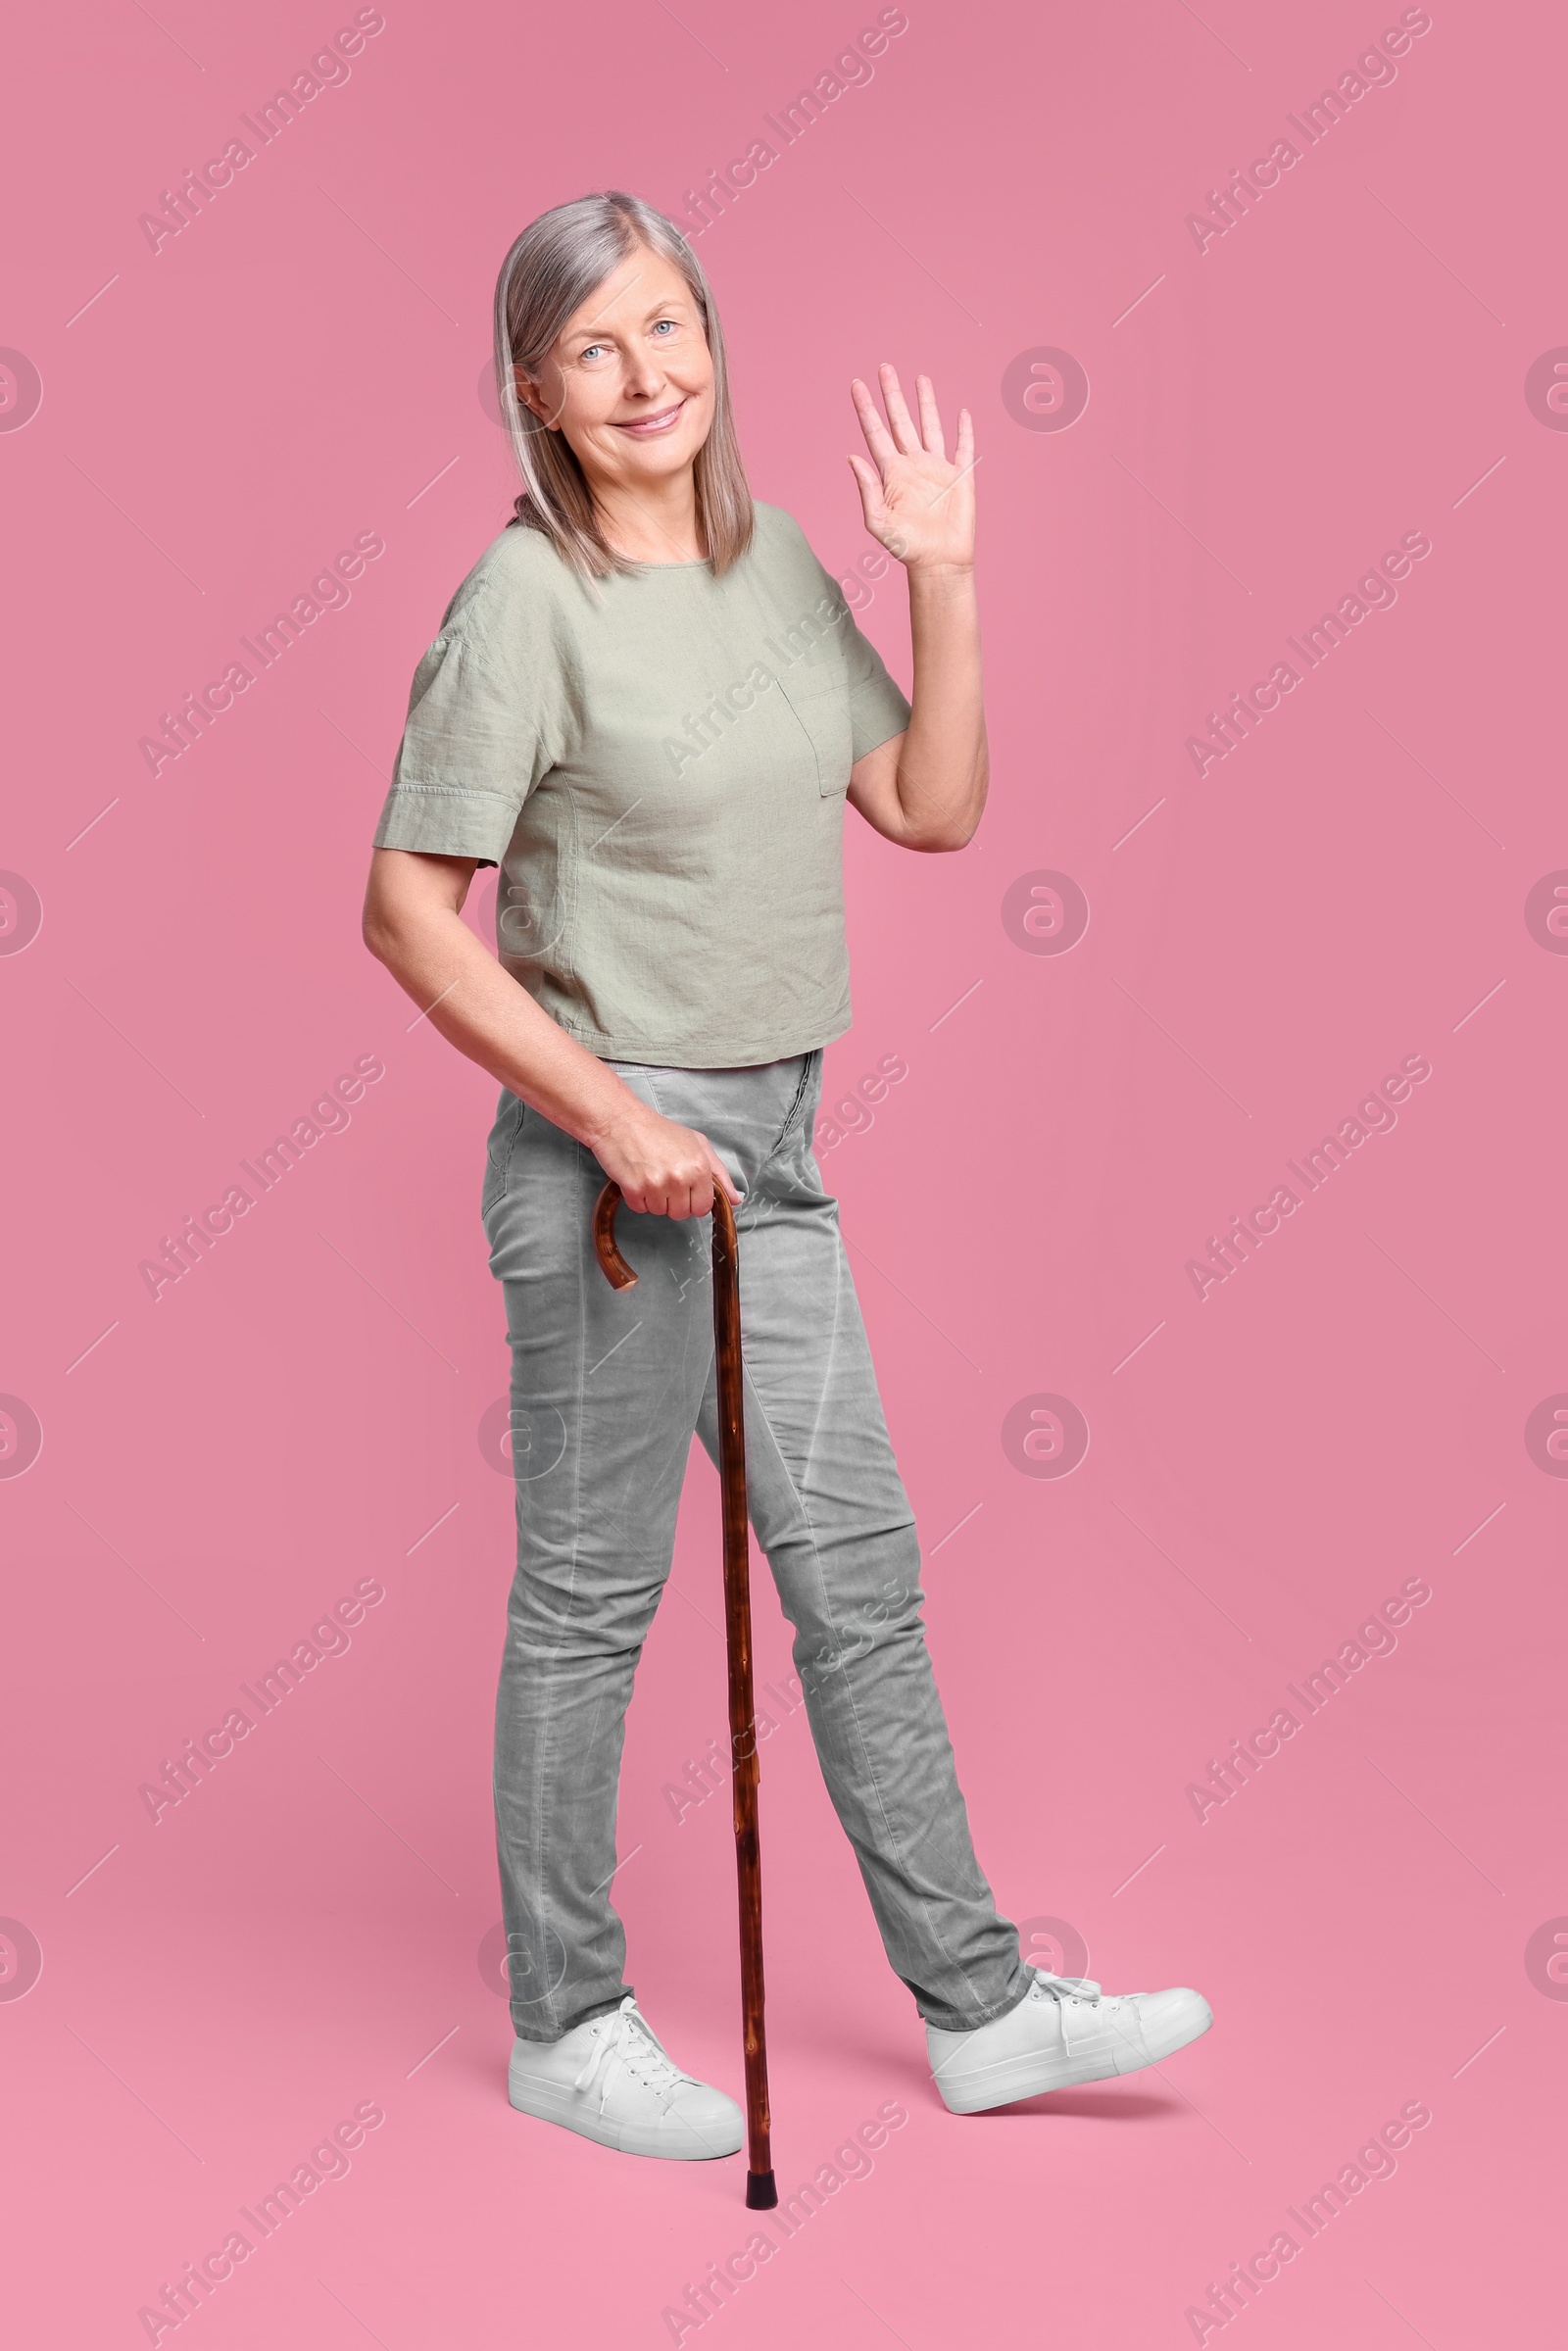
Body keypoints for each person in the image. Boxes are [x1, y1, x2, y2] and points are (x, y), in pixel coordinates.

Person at [361, 190, 1211, 2162]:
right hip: (610, 1169)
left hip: (773, 1155)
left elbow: (924, 804)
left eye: (670, 328)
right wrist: (607, 1115)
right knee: (591, 1602)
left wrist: (944, 578)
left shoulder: (768, 571)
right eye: (596, 348)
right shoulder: (521, 605)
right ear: (536, 395)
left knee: (862, 1583)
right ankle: (565, 2026)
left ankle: (981, 2009)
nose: (648, 375)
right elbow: (407, 914)